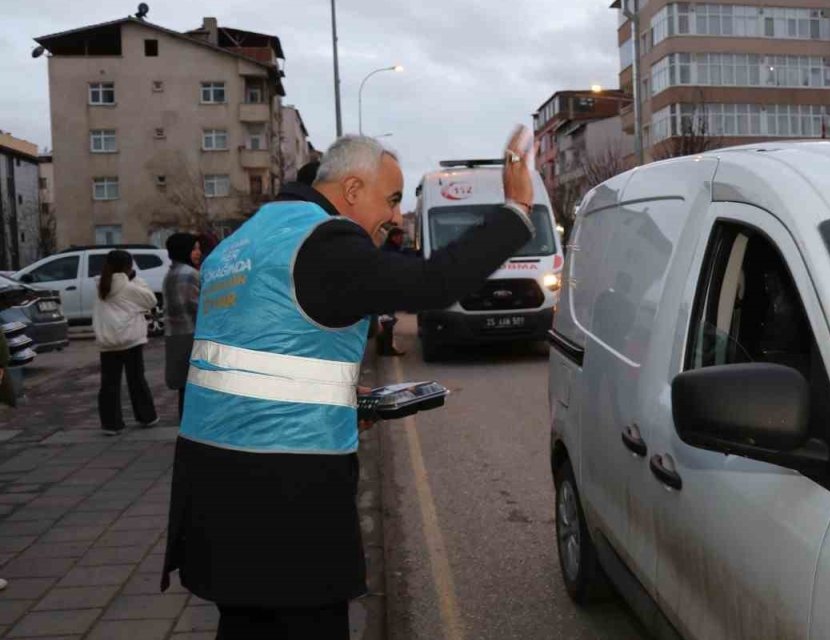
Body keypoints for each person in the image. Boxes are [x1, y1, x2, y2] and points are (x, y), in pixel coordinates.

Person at [163, 128, 536, 639]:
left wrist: (339, 397)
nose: (394, 216)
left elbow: (256, 355)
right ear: (353, 190)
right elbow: (434, 283)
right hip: (283, 496)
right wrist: (515, 211)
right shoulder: (324, 241)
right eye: (391, 199)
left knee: (245, 626)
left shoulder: (243, 241)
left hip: (211, 485)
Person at [92, 250, 159, 435]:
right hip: (130, 339)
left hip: (107, 341)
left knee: (109, 384)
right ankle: (146, 416)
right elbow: (151, 300)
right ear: (129, 267)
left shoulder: (100, 286)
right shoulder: (128, 287)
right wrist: (135, 280)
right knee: (136, 380)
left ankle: (110, 424)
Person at [163, 233, 202, 419]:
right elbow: (199, 307)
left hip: (175, 336)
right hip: (191, 335)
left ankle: (185, 426)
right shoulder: (189, 274)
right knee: (195, 386)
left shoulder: (170, 274)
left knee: (184, 388)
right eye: (194, 249)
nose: (198, 253)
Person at [376, 228, 414, 356]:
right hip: (386, 290)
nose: (402, 239)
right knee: (387, 320)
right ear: (393, 237)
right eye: (399, 237)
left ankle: (382, 349)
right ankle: (386, 349)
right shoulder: (389, 250)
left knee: (385, 320)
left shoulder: (389, 249)